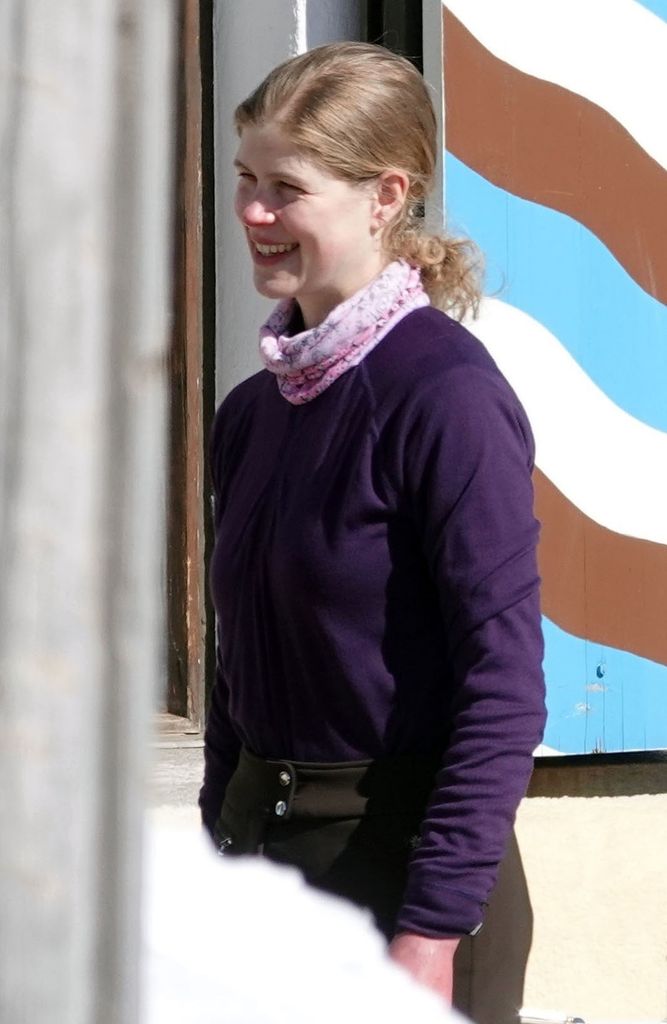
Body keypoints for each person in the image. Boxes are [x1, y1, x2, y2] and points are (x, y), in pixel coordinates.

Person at [199, 41, 546, 1013]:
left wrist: (434, 927)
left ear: (385, 195)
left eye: (287, 188)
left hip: (403, 893)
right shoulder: (251, 415)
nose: (254, 215)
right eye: (244, 180)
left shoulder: (445, 399)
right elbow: (241, 663)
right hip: (266, 880)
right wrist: (218, 833)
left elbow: (504, 687)